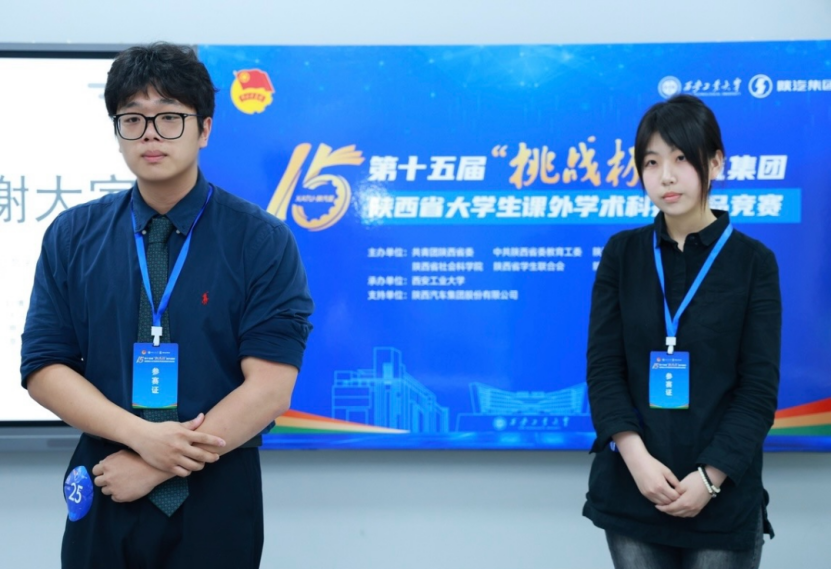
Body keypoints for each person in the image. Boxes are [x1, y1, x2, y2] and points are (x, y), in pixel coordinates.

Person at [21, 42, 313, 569]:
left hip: (218, 488)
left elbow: (270, 388)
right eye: (132, 119)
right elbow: (44, 367)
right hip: (106, 475)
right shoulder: (72, 235)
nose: (150, 134)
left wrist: (158, 464)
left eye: (170, 118)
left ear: (204, 129)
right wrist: (140, 439)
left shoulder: (260, 240)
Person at [583, 94, 781, 569]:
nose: (666, 177)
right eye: (652, 162)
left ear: (714, 162)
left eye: (680, 159)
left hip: (722, 499)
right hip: (635, 492)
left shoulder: (753, 262)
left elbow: (758, 388)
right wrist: (637, 461)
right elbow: (604, 369)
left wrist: (710, 478)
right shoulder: (622, 254)